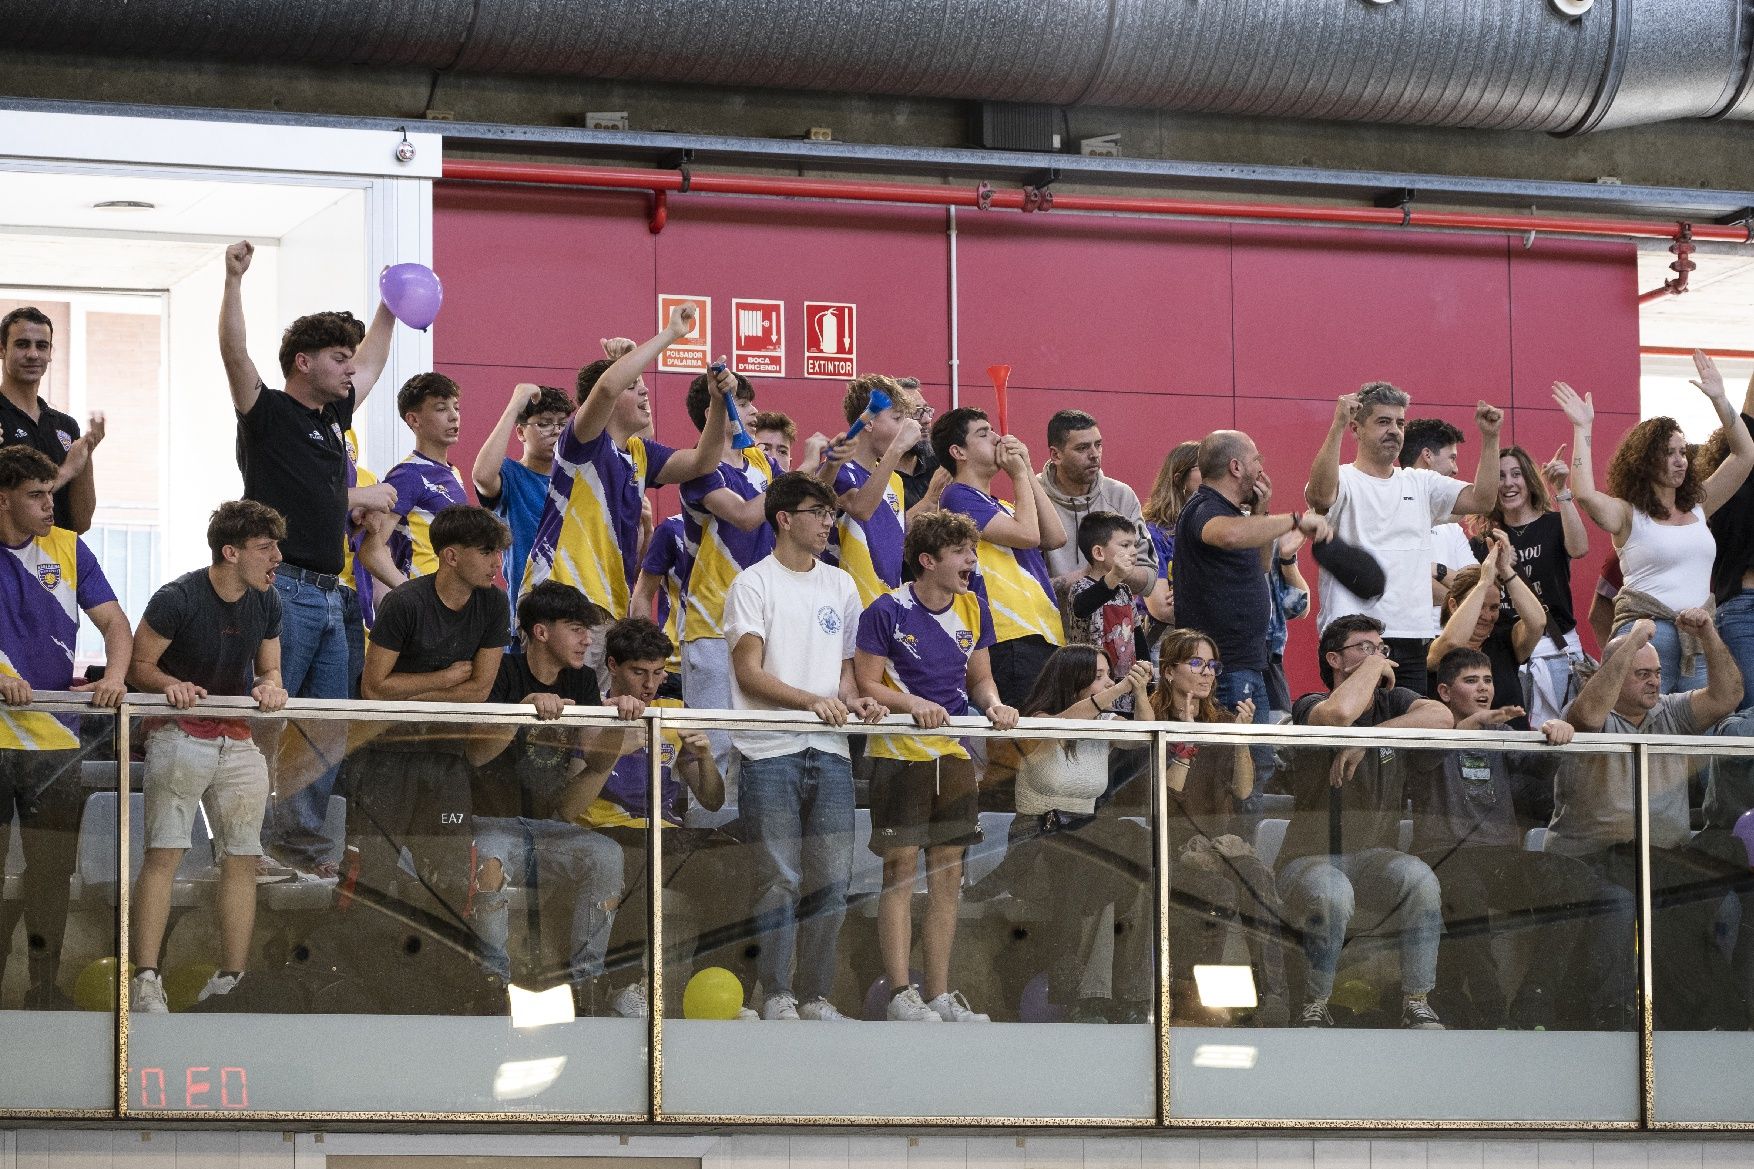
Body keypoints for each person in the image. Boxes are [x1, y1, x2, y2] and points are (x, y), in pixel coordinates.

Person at [220, 240, 399, 874]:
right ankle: (244, 847)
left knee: (324, 729)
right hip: (283, 589)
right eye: (337, 358)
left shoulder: (333, 416)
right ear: (303, 361)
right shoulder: (266, 413)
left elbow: (373, 365)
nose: (351, 368)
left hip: (334, 593)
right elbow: (235, 355)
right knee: (268, 722)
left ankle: (296, 846)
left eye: (349, 357)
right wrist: (233, 280)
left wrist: (390, 305)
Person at [724, 472, 886, 1021]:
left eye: (832, 513)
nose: (828, 522)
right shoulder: (752, 583)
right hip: (770, 750)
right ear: (784, 518)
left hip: (831, 750)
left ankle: (815, 994)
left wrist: (855, 701)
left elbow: (844, 675)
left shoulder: (840, 585)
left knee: (832, 881)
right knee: (779, 878)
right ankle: (773, 992)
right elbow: (749, 674)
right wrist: (810, 703)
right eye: (818, 511)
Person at [852, 510, 1017, 1023]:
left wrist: (993, 705)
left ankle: (940, 994)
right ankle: (901, 991)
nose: (973, 560)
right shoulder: (885, 610)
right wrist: (912, 705)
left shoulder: (974, 609)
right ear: (927, 560)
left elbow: (980, 679)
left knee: (948, 878)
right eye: (962, 552)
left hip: (956, 754)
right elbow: (868, 684)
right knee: (900, 871)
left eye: (974, 550)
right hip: (900, 754)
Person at [125, 501, 290, 1012]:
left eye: (276, 547)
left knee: (243, 856)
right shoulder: (178, 596)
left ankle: (231, 977)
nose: (277, 558)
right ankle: (146, 978)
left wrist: (270, 688)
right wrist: (173, 686)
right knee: (165, 852)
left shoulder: (267, 601)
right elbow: (138, 666)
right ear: (230, 551)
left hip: (236, 736)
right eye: (266, 549)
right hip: (177, 732)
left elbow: (271, 671)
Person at [1551, 616, 1750, 1030]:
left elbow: (1728, 695)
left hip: (1662, 863)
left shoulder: (1670, 712)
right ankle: (1613, 1020)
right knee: (1623, 905)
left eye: (1658, 673)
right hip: (1591, 861)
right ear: (1616, 672)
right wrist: (1634, 639)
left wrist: (1708, 634)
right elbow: (1586, 715)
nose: (1654, 683)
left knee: (1725, 901)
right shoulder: (1593, 715)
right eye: (1641, 674)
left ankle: (1705, 1016)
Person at [1411, 647, 1616, 1029]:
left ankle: (1535, 1000)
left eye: (1488, 679)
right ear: (1443, 692)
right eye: (1470, 681)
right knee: (1465, 892)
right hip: (1442, 857)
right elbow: (1423, 760)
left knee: (1575, 879)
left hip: (1499, 858)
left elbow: (1539, 769)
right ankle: (1490, 1008)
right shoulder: (1426, 732)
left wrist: (1558, 734)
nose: (1483, 688)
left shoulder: (1502, 733)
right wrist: (1470, 726)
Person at [0, 446, 130, 1007]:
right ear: (3, 500)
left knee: (52, 881)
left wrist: (117, 678)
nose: (51, 505)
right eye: (36, 495)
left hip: (57, 741)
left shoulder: (71, 548)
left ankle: (43, 990)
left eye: (51, 492)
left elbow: (117, 626)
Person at [1283, 614, 1454, 1029]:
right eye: (1365, 647)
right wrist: (1376, 667)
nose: (1378, 656)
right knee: (1333, 893)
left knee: (1421, 881)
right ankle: (1315, 1003)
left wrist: (1371, 737)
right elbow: (1340, 714)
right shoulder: (1309, 704)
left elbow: (1443, 718)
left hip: (1373, 856)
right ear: (1334, 659)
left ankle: (1416, 1000)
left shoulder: (1392, 704)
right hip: (1307, 859)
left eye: (1382, 648)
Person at [1553, 354, 1754, 692]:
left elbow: (1744, 454)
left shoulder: (1700, 504)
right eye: (1669, 453)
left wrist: (1720, 399)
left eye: (1683, 452)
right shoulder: (1628, 514)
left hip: (1699, 641)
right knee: (1645, 734)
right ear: (1645, 461)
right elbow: (1585, 493)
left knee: (1698, 740)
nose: (1681, 461)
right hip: (1646, 638)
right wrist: (1582, 428)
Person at [352, 506, 511, 926]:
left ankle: (443, 975)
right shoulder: (405, 603)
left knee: (452, 879)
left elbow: (479, 690)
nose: (498, 561)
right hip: (386, 756)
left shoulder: (494, 604)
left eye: (498, 552)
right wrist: (444, 678)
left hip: (447, 759)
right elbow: (373, 689)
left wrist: (417, 688)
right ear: (451, 556)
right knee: (374, 875)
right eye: (487, 551)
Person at [521, 303, 729, 619]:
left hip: (610, 607)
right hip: (560, 599)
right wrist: (671, 333)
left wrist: (717, 402)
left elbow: (703, 462)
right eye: (633, 387)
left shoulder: (639, 454)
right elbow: (606, 388)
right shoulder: (584, 442)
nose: (645, 394)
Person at [471, 581, 623, 1007]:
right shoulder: (501, 671)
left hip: (548, 828)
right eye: (576, 628)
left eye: (588, 630)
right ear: (540, 632)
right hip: (486, 820)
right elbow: (475, 754)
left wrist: (620, 720)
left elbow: (595, 757)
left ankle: (585, 985)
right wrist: (523, 711)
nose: (586, 639)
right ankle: (491, 985)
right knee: (490, 858)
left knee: (607, 855)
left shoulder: (583, 679)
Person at [579, 618, 742, 1018]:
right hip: (608, 829)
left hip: (667, 829)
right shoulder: (592, 711)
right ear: (613, 665)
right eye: (639, 672)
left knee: (736, 863)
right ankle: (622, 985)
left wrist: (704, 759)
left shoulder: (671, 713)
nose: (650, 684)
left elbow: (712, 800)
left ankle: (717, 983)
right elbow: (569, 799)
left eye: (657, 673)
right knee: (640, 865)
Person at [1306, 384, 1503, 696]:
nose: (1394, 431)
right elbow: (1318, 496)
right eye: (1383, 422)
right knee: (1361, 738)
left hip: (1413, 636)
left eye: (1399, 423)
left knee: (1409, 739)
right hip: (1354, 638)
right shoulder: (1343, 477)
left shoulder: (1420, 482)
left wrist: (1491, 439)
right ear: (1357, 428)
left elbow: (1483, 499)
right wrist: (1337, 425)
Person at [1002, 645, 1155, 1021]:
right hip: (1036, 840)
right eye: (1099, 675)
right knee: (1098, 857)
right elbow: (1066, 722)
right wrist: (1117, 691)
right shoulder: (1040, 719)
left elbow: (1143, 735)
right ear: (1074, 680)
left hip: (1086, 844)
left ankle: (1111, 994)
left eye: (1108, 674)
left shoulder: (1103, 723)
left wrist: (1138, 692)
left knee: (1126, 854)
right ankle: (1078, 987)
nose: (1108, 682)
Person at [1150, 628, 1289, 1026]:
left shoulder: (1222, 720)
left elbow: (1245, 789)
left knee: (1258, 880)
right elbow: (1167, 792)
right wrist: (1189, 740)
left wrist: (1241, 738)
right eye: (1196, 663)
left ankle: (1271, 1000)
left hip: (1219, 842)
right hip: (1171, 846)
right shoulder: (1153, 719)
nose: (1207, 673)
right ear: (1170, 671)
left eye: (1212, 665)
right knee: (1220, 890)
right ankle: (1192, 999)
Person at [1178, 430, 1331, 787]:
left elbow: (1262, 566)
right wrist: (1294, 520)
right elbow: (1228, 535)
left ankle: (1242, 843)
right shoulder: (1205, 508)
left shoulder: (1239, 515)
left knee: (1257, 765)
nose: (1262, 469)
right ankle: (1231, 843)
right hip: (1224, 666)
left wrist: (1261, 512)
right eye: (1256, 460)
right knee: (1235, 770)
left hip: (1250, 661)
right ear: (1235, 467)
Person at [933, 407, 1066, 706]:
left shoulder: (1003, 506)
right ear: (958, 452)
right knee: (1021, 744)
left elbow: (1055, 537)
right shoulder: (956, 496)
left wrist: (1028, 469)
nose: (997, 438)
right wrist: (1017, 474)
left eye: (993, 430)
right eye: (983, 433)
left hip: (1043, 633)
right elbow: (1029, 535)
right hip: (1007, 637)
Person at [680, 367, 776, 775]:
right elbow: (744, 516)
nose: (754, 411)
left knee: (760, 746)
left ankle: (743, 837)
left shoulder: (761, 462)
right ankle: (704, 836)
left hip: (764, 622)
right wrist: (789, 480)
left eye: (753, 401)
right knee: (714, 746)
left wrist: (823, 465)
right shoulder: (697, 471)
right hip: (712, 624)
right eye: (743, 402)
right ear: (713, 412)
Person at [1471, 443, 1591, 724]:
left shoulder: (1553, 524)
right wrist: (1496, 569)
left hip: (1555, 649)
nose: (1508, 483)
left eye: (1516, 474)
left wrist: (1562, 491)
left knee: (1562, 742)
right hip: (1504, 656)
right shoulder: (1482, 542)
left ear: (1529, 480)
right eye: (1500, 476)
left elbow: (1580, 548)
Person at [1426, 531, 1546, 729]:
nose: (1487, 616)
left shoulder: (1506, 643)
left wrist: (1505, 570)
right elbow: (1453, 643)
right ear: (1454, 605)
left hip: (1511, 752)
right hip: (1456, 754)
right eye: (1480, 605)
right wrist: (1483, 582)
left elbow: (1537, 623)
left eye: (1494, 608)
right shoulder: (1435, 647)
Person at [820, 374, 921, 607]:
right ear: (869, 422)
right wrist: (897, 449)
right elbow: (861, 509)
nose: (905, 427)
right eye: (897, 418)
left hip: (888, 605)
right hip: (846, 604)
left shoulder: (893, 479)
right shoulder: (837, 469)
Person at [0, 306, 101, 534]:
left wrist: (86, 455)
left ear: (50, 354)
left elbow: (81, 523)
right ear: (2, 349)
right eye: (22, 344)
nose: (33, 354)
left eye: (42, 346)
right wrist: (67, 470)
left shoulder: (65, 426)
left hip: (56, 561)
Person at [472, 382, 573, 607]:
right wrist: (514, 406)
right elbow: (482, 477)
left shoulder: (577, 478)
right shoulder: (511, 474)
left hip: (576, 606)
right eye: (545, 424)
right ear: (520, 432)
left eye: (562, 424)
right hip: (526, 610)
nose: (556, 431)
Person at [1692, 360, 1754, 710]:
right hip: (1745, 608)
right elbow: (1748, 413)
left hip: (1740, 607)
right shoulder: (1732, 486)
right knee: (1748, 718)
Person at [1037, 409, 1155, 591]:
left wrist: (1114, 570)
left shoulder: (1121, 496)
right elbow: (1024, 585)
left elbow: (1148, 579)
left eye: (1098, 445)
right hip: (1049, 617)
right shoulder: (1033, 494)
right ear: (1056, 455)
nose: (1094, 455)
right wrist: (1088, 575)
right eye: (1082, 448)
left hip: (1111, 618)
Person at [384, 373, 469, 579]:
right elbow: (371, 550)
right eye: (441, 408)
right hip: (424, 596)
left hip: (451, 597)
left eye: (456, 407)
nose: (453, 416)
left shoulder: (453, 472)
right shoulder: (407, 474)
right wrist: (410, 597)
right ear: (413, 419)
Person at [1064, 512, 1150, 715]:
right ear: (1099, 553)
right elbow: (1083, 606)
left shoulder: (1126, 591)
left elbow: (1137, 636)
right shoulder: (1081, 587)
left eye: (1134, 545)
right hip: (1091, 690)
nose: (1134, 551)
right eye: (1125, 545)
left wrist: (1145, 674)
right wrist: (1115, 576)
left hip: (1127, 691)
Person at [1400, 417, 1475, 632]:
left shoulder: (1452, 525)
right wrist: (1459, 599)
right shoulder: (1391, 509)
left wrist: (1437, 570)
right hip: (1408, 638)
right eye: (1452, 458)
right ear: (1427, 455)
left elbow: (1475, 585)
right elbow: (1408, 584)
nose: (1456, 469)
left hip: (1454, 639)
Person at [1138, 440, 1200, 635]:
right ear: (1178, 478)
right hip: (1166, 640)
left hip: (1211, 641)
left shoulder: (1219, 529)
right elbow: (1161, 608)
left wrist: (1192, 596)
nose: (1213, 473)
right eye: (1203, 467)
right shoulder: (1154, 533)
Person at [629, 512, 690, 697]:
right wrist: (649, 657)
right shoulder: (672, 529)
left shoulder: (759, 529)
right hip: (671, 666)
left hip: (734, 662)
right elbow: (642, 595)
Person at [889, 379, 944, 517]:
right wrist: (930, 500)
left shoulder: (940, 464)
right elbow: (887, 534)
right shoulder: (873, 474)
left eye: (927, 410)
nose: (926, 420)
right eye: (915, 412)